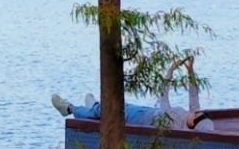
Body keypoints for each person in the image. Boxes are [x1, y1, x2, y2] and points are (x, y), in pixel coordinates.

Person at [51, 54, 212, 130]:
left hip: (140, 118)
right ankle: (94, 105)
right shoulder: (189, 119)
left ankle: (69, 108)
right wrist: (190, 71)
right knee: (110, 108)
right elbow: (193, 95)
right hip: (148, 112)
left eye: (198, 115)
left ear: (193, 123)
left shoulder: (173, 121)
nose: (198, 111)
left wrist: (171, 70)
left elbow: (163, 96)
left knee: (109, 110)